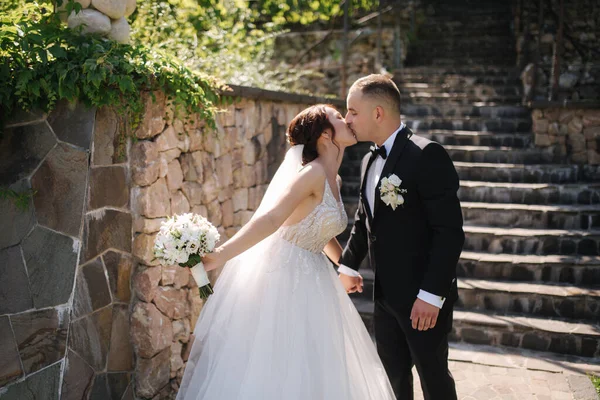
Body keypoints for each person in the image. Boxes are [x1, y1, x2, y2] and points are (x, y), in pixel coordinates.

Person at [176, 104, 396, 400]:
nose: (348, 121)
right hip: (286, 276)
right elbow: (270, 219)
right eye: (339, 118)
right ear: (325, 136)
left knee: (318, 362)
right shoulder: (312, 174)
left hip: (316, 274)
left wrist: (344, 266)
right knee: (282, 362)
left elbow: (320, 230)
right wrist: (221, 255)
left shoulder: (335, 178)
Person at [338, 74, 464, 400]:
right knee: (393, 382)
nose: (347, 119)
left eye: (353, 111)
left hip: (423, 298)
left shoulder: (427, 155)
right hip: (384, 297)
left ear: (378, 113)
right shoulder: (369, 159)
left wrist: (432, 295)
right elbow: (365, 219)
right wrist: (348, 265)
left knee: (433, 379)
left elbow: (448, 233)